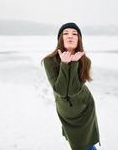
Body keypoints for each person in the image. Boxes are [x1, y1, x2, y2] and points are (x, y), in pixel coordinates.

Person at [41, 22, 101, 150]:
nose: (70, 36)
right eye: (66, 33)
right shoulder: (49, 61)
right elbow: (61, 91)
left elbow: (73, 90)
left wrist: (74, 63)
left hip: (84, 107)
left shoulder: (85, 61)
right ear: (60, 39)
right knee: (79, 144)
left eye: (75, 34)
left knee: (86, 145)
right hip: (66, 112)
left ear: (79, 39)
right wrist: (64, 64)